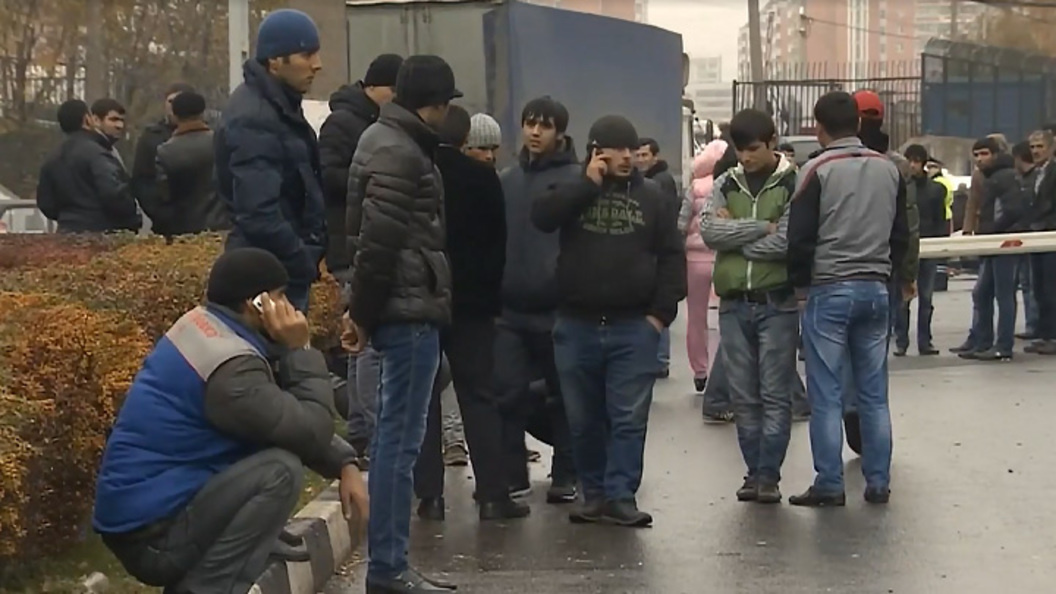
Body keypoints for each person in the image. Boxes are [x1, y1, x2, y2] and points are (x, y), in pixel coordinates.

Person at [92, 248, 368, 594]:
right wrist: (301, 349)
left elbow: (277, 413)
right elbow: (309, 431)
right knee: (280, 471)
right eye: (280, 297)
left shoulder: (209, 327)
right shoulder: (232, 372)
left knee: (274, 456)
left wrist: (344, 463)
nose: (290, 308)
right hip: (153, 536)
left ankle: (245, 550)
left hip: (148, 515)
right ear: (256, 304)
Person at [344, 54, 461, 594]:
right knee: (399, 443)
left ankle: (389, 565)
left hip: (400, 305)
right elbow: (379, 243)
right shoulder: (400, 150)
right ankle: (388, 568)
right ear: (435, 104)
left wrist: (361, 311)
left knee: (395, 439)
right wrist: (361, 314)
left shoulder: (386, 139)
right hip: (407, 308)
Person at [532, 115, 685, 527]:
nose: (627, 157)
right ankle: (593, 494)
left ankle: (621, 496)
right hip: (576, 324)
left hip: (633, 325)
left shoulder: (653, 196)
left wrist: (659, 315)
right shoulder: (573, 187)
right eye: (616, 150)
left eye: (630, 149)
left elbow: (672, 256)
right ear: (596, 152)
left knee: (628, 418)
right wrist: (587, 185)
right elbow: (542, 218)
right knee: (583, 419)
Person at [787, 91, 910, 507]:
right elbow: (901, 233)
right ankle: (878, 482)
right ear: (858, 124)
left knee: (827, 394)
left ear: (818, 128)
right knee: (874, 394)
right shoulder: (889, 169)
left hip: (829, 288)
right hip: (876, 288)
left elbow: (800, 238)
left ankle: (830, 482)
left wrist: (800, 286)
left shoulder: (815, 170)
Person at [412, 105, 529, 522]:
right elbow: (497, 248)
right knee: (479, 395)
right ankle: (494, 494)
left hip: (425, 299)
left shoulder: (418, 172)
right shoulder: (482, 179)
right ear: (466, 139)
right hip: (473, 307)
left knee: (425, 397)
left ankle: (430, 497)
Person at [700, 108, 799, 504]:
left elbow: (788, 242)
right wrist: (760, 227)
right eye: (740, 150)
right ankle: (753, 472)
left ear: (773, 142)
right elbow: (709, 231)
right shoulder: (726, 182)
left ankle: (768, 475)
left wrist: (735, 239)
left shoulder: (793, 182)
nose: (746, 157)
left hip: (777, 302)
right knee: (743, 396)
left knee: (775, 394)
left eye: (754, 149)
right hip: (733, 302)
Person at [495, 96, 579, 504]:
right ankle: (512, 475)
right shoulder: (507, 180)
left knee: (565, 396)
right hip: (509, 309)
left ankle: (567, 473)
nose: (534, 132)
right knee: (507, 393)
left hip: (559, 308)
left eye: (544, 125)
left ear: (559, 132)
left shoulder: (576, 181)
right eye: (529, 123)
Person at [318, 52, 403, 459]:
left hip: (360, 240)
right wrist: (371, 178)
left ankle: (360, 428)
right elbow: (328, 176)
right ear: (376, 87)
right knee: (365, 340)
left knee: (357, 340)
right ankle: (370, 429)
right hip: (349, 244)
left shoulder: (370, 122)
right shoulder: (343, 123)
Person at [216, 9, 326, 313]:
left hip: (277, 269)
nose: (317, 64)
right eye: (306, 55)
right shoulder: (255, 117)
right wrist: (302, 259)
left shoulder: (279, 107)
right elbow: (258, 213)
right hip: (268, 276)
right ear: (275, 61)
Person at [954, 137, 1022, 362]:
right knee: (983, 293)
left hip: (1003, 243)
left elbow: (1012, 210)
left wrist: (993, 230)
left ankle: (1003, 345)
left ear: (995, 155)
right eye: (976, 154)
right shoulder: (992, 176)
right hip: (992, 242)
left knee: (1003, 294)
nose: (979, 159)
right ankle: (984, 341)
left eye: (984, 154)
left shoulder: (1004, 176)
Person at [36, 98, 141, 233]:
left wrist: (67, 216)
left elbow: (46, 203)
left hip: (66, 230)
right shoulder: (98, 153)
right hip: (101, 231)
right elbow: (113, 193)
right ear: (87, 119)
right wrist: (132, 218)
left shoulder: (52, 157)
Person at [678, 139, 726, 394]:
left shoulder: (695, 187)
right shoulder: (730, 185)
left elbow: (682, 222)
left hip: (695, 259)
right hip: (724, 257)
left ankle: (700, 370)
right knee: (727, 316)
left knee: (696, 318)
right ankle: (723, 369)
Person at [893, 144, 947, 357]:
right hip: (907, 248)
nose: (913, 165)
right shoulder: (901, 187)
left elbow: (940, 220)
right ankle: (902, 341)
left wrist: (941, 247)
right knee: (903, 300)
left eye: (917, 161)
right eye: (910, 160)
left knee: (926, 298)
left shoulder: (936, 189)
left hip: (928, 246)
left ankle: (925, 341)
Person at [154, 91, 229, 236]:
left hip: (185, 230)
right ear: (202, 113)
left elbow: (163, 196)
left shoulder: (166, 151)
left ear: (175, 116)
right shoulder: (220, 142)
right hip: (222, 225)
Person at [637, 136, 680, 378]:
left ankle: (660, 360)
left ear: (655, 156)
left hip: (656, 250)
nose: (640, 159)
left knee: (658, 304)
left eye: (645, 155)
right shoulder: (651, 179)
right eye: (638, 155)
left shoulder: (660, 181)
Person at [131, 82, 195, 235]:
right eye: (171, 101)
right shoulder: (151, 137)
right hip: (166, 222)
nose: (174, 106)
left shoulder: (206, 136)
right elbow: (142, 180)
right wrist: (161, 215)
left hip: (201, 219)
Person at [1022, 130, 1056, 353]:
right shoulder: (1034, 174)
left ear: (1051, 148)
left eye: (1040, 146)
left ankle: (1053, 336)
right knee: (1039, 288)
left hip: (1050, 235)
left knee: (1051, 287)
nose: (1035, 151)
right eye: (1033, 147)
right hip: (1035, 235)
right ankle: (1043, 334)